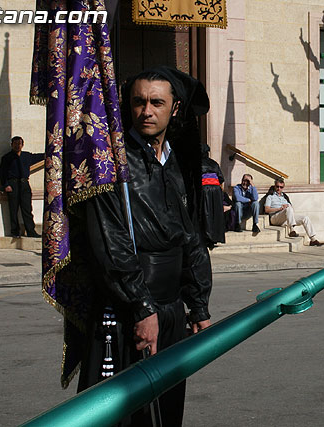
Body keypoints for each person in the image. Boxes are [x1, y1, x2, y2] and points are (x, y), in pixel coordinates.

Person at [77, 66, 212, 426]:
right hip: (130, 312)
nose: (146, 111)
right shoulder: (111, 165)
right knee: (123, 416)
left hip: (170, 312)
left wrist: (198, 306)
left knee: (166, 412)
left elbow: (191, 239)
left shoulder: (177, 162)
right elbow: (111, 244)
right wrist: (142, 309)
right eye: (138, 102)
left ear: (175, 108)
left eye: (156, 102)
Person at [0, 136, 44, 238]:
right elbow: (2, 173)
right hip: (13, 184)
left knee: (27, 209)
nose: (17, 145)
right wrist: (6, 185)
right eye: (15, 143)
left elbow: (40, 157)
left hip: (24, 185)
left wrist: (52, 152)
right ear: (11, 145)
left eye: (19, 144)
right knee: (13, 209)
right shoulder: (6, 158)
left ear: (22, 145)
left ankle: (31, 231)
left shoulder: (26, 156)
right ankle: (15, 232)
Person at [265, 177, 324, 246]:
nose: (279, 188)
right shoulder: (270, 196)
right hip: (275, 217)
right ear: (275, 186)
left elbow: (291, 209)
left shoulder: (284, 197)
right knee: (288, 208)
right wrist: (279, 208)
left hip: (286, 218)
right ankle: (292, 230)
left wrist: (287, 207)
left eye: (281, 187)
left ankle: (313, 239)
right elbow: (267, 209)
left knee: (305, 218)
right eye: (277, 186)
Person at [200, 144, 226, 248]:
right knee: (216, 213)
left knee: (206, 213)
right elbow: (221, 178)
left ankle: (206, 237)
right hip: (216, 191)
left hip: (204, 190)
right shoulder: (214, 163)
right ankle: (215, 237)